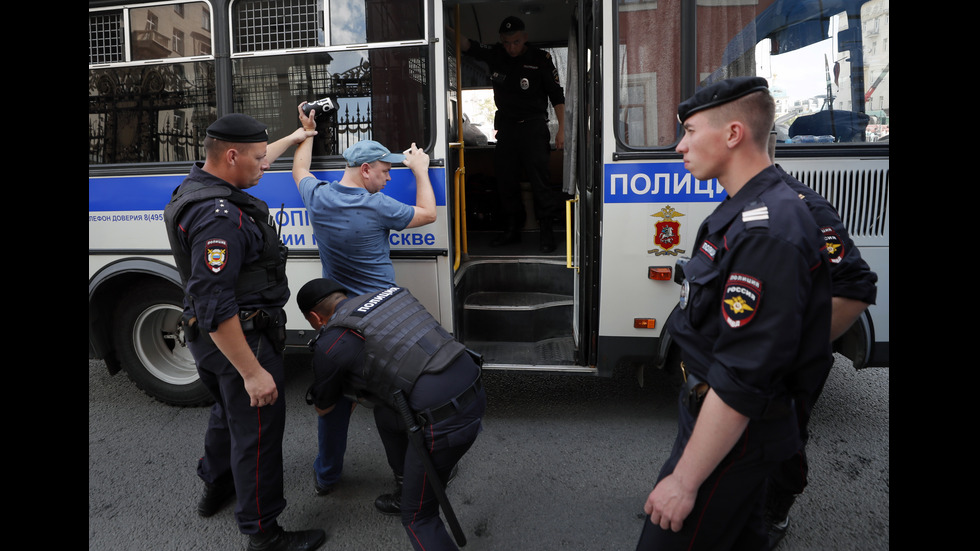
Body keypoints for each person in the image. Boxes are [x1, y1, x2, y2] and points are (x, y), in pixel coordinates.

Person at [636, 77, 833, 551]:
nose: (680, 145)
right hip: (718, 418)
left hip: (734, 433)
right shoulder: (744, 210)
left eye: (689, 130)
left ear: (732, 134)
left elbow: (744, 375)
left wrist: (684, 481)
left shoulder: (767, 229)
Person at [163, 113, 325, 551]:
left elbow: (256, 155)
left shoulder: (201, 183)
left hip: (208, 343)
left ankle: (216, 484)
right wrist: (253, 372)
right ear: (231, 156)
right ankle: (263, 533)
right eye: (258, 158)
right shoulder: (219, 218)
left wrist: (297, 136)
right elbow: (217, 304)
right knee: (257, 433)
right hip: (241, 339)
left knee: (226, 415)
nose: (265, 164)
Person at [291, 103, 438, 511]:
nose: (390, 178)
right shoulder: (376, 206)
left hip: (339, 322)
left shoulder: (318, 197)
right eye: (386, 170)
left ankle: (326, 476)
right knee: (399, 400)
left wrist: (307, 133)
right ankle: (414, 475)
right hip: (381, 317)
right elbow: (427, 214)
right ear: (366, 170)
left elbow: (298, 172)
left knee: (336, 402)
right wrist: (421, 168)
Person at [297, 278, 486, 551]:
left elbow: (323, 407)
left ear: (315, 317)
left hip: (445, 423)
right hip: (473, 384)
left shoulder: (331, 341)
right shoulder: (390, 295)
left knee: (418, 519)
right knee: (386, 414)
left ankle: (415, 498)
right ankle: (406, 486)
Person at [763, 131, 878, 549]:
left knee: (785, 438)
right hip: (749, 362)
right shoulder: (742, 204)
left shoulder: (802, 205)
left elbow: (854, 284)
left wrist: (794, 350)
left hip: (787, 364)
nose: (682, 147)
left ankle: (774, 512)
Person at [458, 15, 567, 252]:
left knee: (540, 181)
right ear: (501, 40)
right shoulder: (496, 54)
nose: (511, 47)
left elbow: (557, 97)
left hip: (534, 127)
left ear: (525, 38)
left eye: (516, 41)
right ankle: (512, 229)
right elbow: (467, 45)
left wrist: (562, 130)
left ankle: (546, 231)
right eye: (507, 42)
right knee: (506, 180)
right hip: (507, 129)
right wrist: (441, 21)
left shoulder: (540, 59)